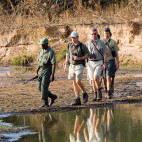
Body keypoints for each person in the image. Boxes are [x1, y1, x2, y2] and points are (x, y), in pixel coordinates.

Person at [64, 31, 90, 105]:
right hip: (72, 65)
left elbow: (88, 55)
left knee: (78, 81)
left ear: (77, 37)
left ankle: (84, 92)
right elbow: (67, 55)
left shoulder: (82, 46)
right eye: (72, 38)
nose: (73, 39)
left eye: (74, 37)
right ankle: (77, 98)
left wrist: (79, 58)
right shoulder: (69, 45)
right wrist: (66, 65)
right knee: (74, 82)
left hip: (80, 65)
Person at [85, 28, 108, 101]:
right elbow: (84, 53)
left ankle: (99, 92)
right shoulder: (87, 43)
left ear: (97, 34)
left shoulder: (101, 42)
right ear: (90, 35)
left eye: (95, 34)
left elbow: (104, 53)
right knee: (92, 80)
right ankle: (95, 95)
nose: (94, 35)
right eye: (92, 34)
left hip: (99, 62)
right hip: (90, 62)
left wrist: (104, 63)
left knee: (95, 77)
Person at [36, 38, 57, 107]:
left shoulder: (51, 52)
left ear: (46, 44)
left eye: (42, 44)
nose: (41, 46)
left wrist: (52, 75)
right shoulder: (40, 51)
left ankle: (45, 102)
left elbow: (53, 63)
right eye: (41, 44)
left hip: (48, 70)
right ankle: (52, 96)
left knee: (44, 87)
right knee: (39, 87)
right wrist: (37, 70)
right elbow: (39, 62)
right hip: (41, 70)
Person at [103, 28, 119, 99]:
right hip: (103, 61)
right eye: (105, 33)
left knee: (109, 76)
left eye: (107, 33)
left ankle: (109, 93)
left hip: (111, 61)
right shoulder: (101, 41)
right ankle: (106, 89)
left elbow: (116, 53)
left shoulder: (113, 42)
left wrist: (117, 62)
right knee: (104, 77)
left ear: (110, 33)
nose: (106, 34)